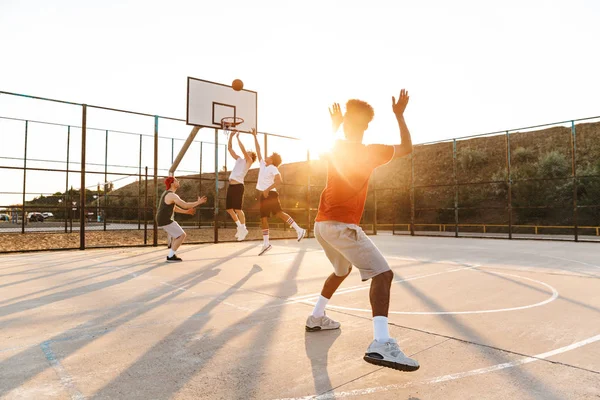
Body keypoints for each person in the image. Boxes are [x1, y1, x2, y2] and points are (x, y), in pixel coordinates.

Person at [305, 90, 419, 372]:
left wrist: (333, 124)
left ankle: (316, 316)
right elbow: (407, 147)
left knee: (341, 271)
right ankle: (381, 343)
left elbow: (323, 148)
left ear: (345, 124)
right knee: (384, 274)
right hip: (341, 226)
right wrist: (400, 115)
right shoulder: (371, 152)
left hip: (321, 226)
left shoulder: (336, 148)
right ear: (367, 125)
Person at [252, 129, 306, 256]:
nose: (266, 157)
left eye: (269, 157)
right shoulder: (263, 165)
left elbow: (279, 181)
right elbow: (258, 150)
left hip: (270, 194)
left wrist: (267, 189)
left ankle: (299, 230)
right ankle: (266, 243)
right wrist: (254, 136)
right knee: (263, 218)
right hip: (264, 195)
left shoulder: (273, 168)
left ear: (272, 160)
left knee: (279, 214)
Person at [156, 176, 207, 262]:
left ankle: (171, 255)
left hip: (163, 219)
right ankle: (170, 256)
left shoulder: (167, 193)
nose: (178, 181)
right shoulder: (171, 195)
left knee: (178, 236)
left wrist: (186, 212)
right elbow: (185, 204)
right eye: (176, 180)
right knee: (181, 235)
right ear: (172, 183)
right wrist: (198, 202)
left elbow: (174, 208)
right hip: (164, 219)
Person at [226, 130, 257, 241]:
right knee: (229, 209)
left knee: (238, 209)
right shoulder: (239, 159)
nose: (247, 153)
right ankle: (240, 227)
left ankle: (243, 228)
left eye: (249, 153)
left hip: (239, 186)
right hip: (231, 186)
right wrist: (231, 136)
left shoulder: (249, 161)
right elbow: (230, 149)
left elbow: (243, 150)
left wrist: (238, 138)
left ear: (251, 157)